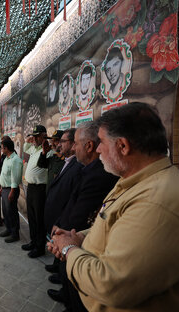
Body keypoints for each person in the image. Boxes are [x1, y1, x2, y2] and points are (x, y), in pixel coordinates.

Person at [48, 103, 179, 311]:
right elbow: (112, 225)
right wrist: (79, 237)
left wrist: (69, 249)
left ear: (123, 146)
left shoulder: (159, 203)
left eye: (101, 142)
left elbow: (111, 285)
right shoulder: (134, 181)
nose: (98, 148)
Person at [46, 122, 117, 309]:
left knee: (75, 295)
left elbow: (81, 210)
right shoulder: (87, 169)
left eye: (76, 143)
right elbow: (72, 200)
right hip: (71, 234)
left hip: (76, 239)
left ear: (88, 146)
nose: (73, 148)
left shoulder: (99, 174)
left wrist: (65, 234)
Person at [43, 128, 83, 275]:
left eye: (62, 141)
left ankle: (62, 280)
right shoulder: (65, 160)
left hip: (64, 217)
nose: (59, 145)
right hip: (57, 214)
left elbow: (72, 195)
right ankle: (57, 268)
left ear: (73, 144)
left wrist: (61, 220)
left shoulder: (78, 166)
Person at [21, 125, 49, 258]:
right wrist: (30, 139)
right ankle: (33, 242)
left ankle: (40, 247)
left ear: (44, 136)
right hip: (31, 187)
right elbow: (25, 146)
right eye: (34, 136)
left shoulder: (48, 151)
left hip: (40, 189)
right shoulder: (33, 148)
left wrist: (42, 143)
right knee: (31, 217)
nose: (35, 139)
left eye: (38, 136)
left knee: (39, 219)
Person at [0, 139, 23, 243]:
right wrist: (1, 187)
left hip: (11, 189)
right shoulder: (7, 158)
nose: (1, 149)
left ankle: (14, 233)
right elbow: (5, 175)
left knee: (11, 212)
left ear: (6, 148)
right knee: (5, 211)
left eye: (2, 147)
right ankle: (8, 229)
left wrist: (12, 191)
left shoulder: (15, 160)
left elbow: (15, 178)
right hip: (5, 188)